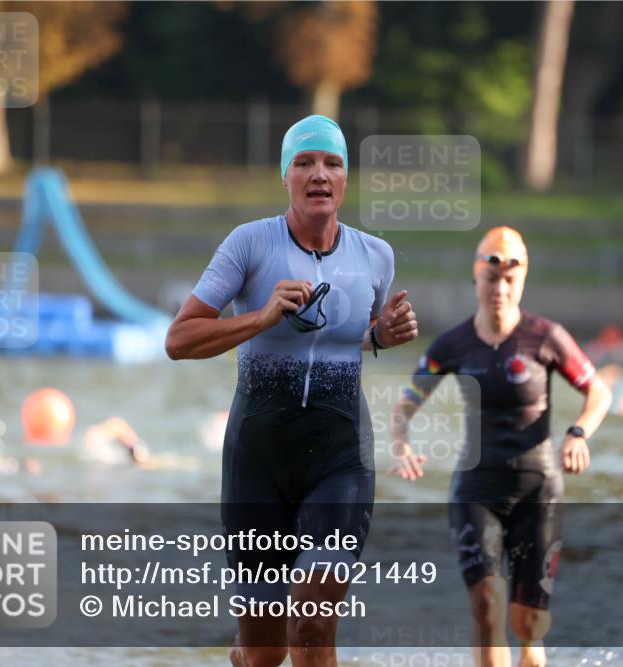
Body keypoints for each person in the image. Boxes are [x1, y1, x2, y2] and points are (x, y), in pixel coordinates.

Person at [165, 114, 418, 667]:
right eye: (303, 163)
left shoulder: (376, 255)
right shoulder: (249, 244)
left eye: (331, 163)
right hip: (258, 460)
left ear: (347, 177)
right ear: (285, 176)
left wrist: (381, 336)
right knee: (265, 653)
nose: (318, 174)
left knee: (311, 623)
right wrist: (261, 316)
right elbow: (179, 340)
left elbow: (348, 340)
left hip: (340, 459)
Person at [389, 226, 611, 667]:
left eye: (511, 279)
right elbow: (405, 406)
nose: (500, 289)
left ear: (523, 280)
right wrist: (400, 445)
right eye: (492, 279)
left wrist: (579, 432)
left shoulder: (546, 336)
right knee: (487, 605)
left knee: (528, 626)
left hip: (538, 492)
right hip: (477, 490)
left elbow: (599, 393)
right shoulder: (453, 345)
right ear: (477, 278)